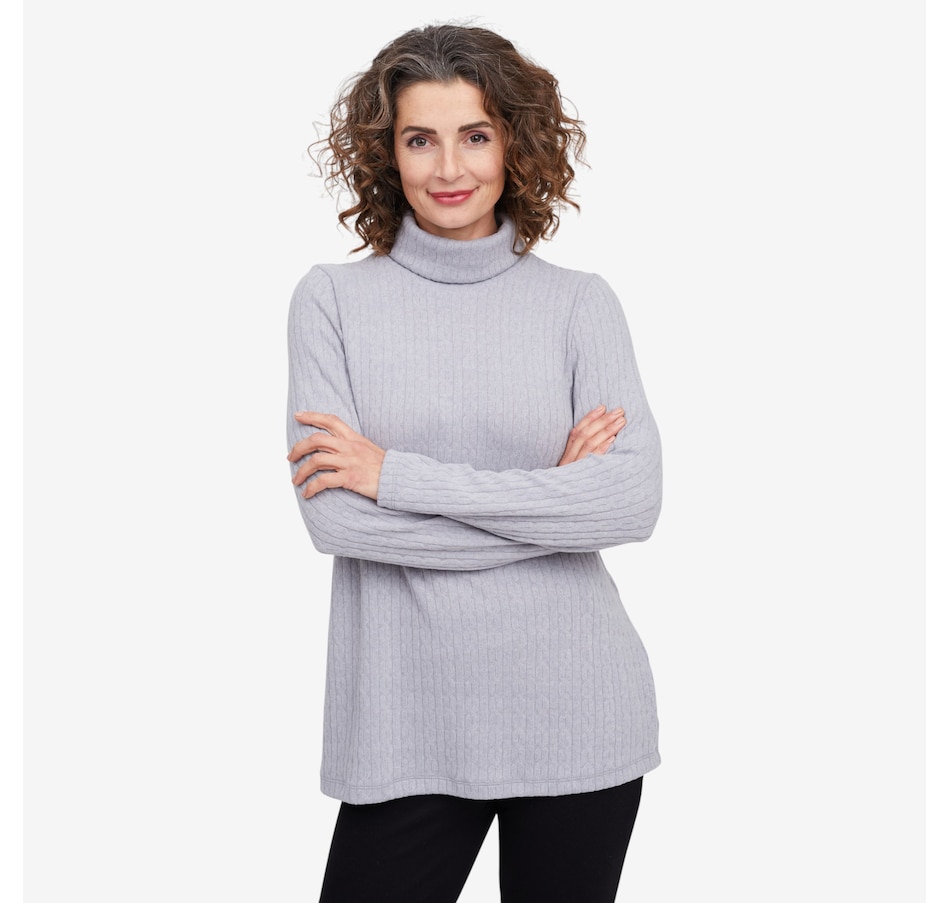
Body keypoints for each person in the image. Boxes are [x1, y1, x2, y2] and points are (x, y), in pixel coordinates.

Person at [286, 23, 662, 903]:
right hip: (404, 726)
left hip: (579, 713)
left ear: (515, 145)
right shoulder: (331, 301)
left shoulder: (579, 304)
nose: (449, 167)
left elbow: (631, 502)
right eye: (420, 139)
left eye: (476, 135)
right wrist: (554, 504)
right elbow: (336, 519)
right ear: (387, 153)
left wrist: (396, 476)